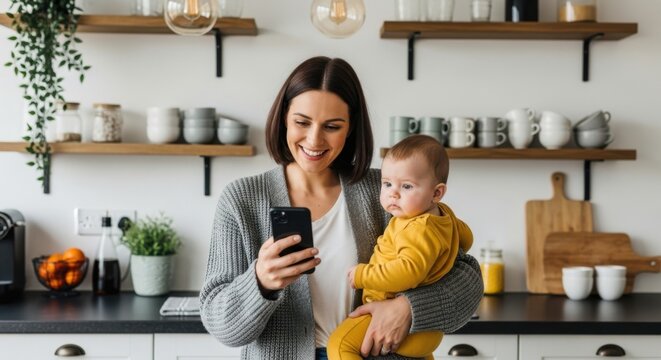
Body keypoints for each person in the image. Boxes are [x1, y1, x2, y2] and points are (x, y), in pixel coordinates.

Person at [199, 56, 483, 359]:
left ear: (350, 129)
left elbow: (468, 279)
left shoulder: (388, 192)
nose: (314, 139)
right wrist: (260, 281)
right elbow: (221, 324)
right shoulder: (242, 199)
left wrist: (407, 309)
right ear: (283, 118)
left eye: (332, 126)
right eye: (302, 122)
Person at [327, 135, 473, 360]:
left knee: (339, 346)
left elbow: (408, 271)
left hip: (401, 320)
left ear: (436, 193)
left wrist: (363, 275)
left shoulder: (417, 228)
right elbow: (466, 239)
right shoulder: (444, 216)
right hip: (426, 332)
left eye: (406, 186)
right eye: (387, 184)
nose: (393, 193)